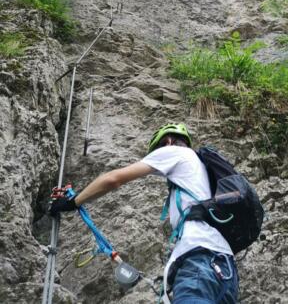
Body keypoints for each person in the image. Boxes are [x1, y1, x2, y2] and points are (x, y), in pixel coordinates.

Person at [50, 123, 239, 303]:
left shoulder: (174, 151)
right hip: (226, 271)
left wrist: (72, 202)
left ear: (168, 141)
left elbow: (112, 179)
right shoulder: (200, 170)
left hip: (199, 264)